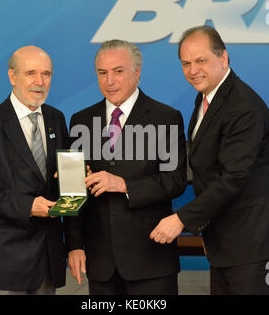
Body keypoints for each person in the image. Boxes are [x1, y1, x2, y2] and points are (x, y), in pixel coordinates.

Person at [150, 26, 269, 295]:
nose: (193, 70)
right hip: (226, 241)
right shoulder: (206, 98)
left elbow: (233, 178)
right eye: (186, 63)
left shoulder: (243, 106)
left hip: (255, 243)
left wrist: (182, 218)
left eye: (201, 61)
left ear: (223, 58)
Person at [65, 39, 187, 295]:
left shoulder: (166, 117)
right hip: (100, 263)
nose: (109, 81)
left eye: (118, 71)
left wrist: (123, 185)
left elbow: (175, 180)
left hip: (150, 258)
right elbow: (72, 189)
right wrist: (74, 244)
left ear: (137, 72)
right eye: (102, 72)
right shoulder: (81, 120)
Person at [0, 46, 68, 294]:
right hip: (2, 261)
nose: (39, 82)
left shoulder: (56, 119)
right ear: (12, 76)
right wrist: (28, 206)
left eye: (46, 74)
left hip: (46, 259)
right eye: (30, 73)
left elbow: (59, 175)